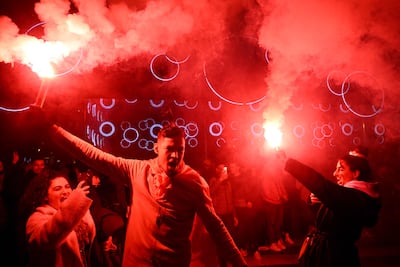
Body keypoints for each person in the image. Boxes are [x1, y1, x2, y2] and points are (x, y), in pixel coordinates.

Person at [41, 118, 247, 267]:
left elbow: (216, 227)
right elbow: (94, 156)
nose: (175, 156)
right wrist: (52, 129)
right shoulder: (138, 170)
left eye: (180, 150)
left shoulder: (194, 183)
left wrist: (240, 264)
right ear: (157, 148)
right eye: (169, 150)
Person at [281, 146, 381, 267]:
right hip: (326, 255)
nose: (335, 173)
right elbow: (326, 222)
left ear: (355, 173)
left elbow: (321, 185)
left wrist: (291, 164)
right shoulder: (346, 195)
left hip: (336, 258)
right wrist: (314, 203)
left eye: (341, 169)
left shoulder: (355, 197)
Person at [22, 169, 96, 267]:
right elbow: (47, 238)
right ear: (45, 196)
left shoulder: (81, 214)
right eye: (58, 189)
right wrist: (74, 205)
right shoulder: (37, 218)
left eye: (67, 187)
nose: (65, 192)